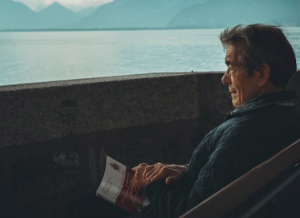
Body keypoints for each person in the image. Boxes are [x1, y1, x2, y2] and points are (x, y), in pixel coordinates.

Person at [67, 24, 300, 218]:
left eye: (231, 67)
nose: (224, 78)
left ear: (261, 74)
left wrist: (150, 183)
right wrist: (182, 170)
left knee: (83, 206)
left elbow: (194, 210)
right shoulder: (286, 118)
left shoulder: (245, 132)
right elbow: (224, 176)